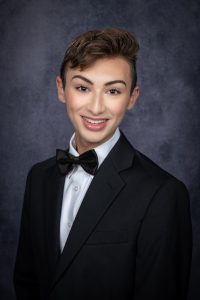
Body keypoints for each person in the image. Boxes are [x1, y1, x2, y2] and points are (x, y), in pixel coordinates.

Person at [14, 28, 192, 300]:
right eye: (83, 88)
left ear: (132, 97)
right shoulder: (39, 177)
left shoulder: (163, 194)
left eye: (113, 91)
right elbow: (27, 281)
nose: (96, 108)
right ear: (62, 89)